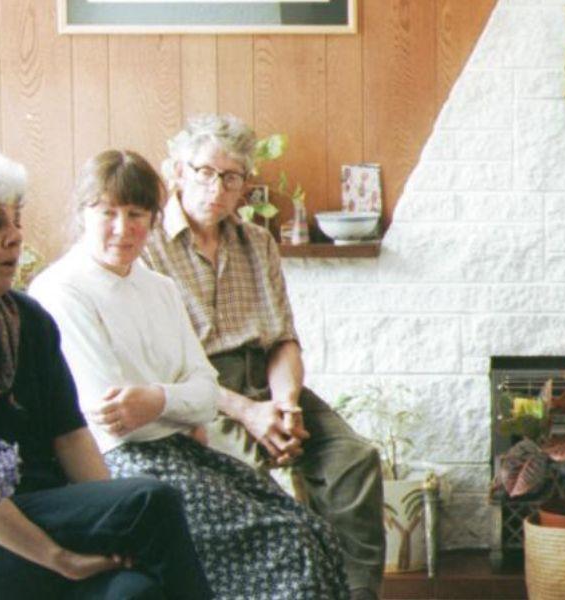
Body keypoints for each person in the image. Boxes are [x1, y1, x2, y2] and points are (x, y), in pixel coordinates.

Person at [0, 148, 211, 599]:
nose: (13, 238)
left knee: (133, 592)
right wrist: (60, 558)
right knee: (152, 500)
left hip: (32, 511)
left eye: (15, 222)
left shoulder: (26, 319)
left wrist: (112, 522)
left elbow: (71, 437)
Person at [30, 149, 351, 599]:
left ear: (153, 218)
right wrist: (179, 405)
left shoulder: (158, 287)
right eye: (108, 213)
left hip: (178, 450)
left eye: (137, 213)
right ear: (84, 213)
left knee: (312, 529)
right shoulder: (60, 290)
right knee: (287, 545)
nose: (123, 229)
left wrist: (157, 402)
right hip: (120, 465)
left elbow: (205, 390)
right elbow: (112, 413)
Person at [142, 114, 385, 600]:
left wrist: (287, 406)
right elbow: (167, 367)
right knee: (250, 488)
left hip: (270, 383)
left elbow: (283, 341)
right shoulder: (147, 247)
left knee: (353, 460)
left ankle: (354, 595)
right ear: (176, 172)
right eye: (205, 172)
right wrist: (250, 413)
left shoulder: (257, 242)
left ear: (245, 186)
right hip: (202, 392)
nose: (217, 188)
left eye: (231, 177)